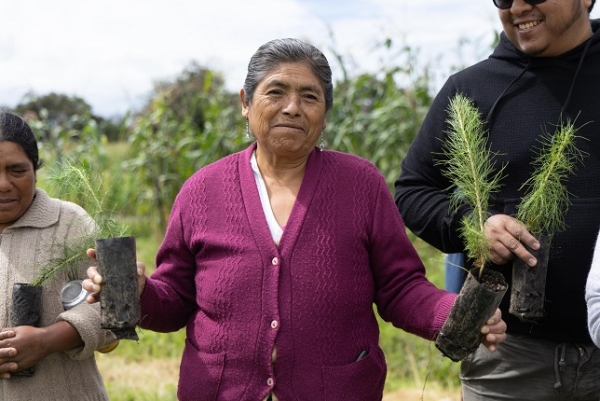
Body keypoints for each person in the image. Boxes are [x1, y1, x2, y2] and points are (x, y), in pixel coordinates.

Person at [83, 38, 506, 401]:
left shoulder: (360, 184)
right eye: (275, 92)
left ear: (325, 113)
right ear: (245, 104)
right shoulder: (201, 190)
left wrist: (451, 313)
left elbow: (399, 286)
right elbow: (174, 298)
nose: (292, 108)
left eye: (309, 96)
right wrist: (138, 292)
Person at [395, 0, 600, 400]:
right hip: (507, 361)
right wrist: (475, 225)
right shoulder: (472, 89)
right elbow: (412, 189)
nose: (518, 7)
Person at [0, 110, 116, 400]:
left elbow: (115, 310)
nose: (3, 184)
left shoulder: (68, 224)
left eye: (16, 170)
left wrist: (46, 341)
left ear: (35, 170)